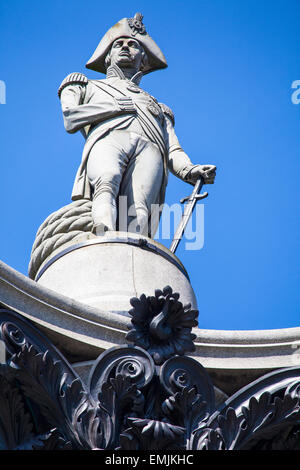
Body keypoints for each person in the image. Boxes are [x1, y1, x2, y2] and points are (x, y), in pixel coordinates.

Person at [58, 13, 216, 236]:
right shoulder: (85, 85)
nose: (125, 48)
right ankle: (103, 235)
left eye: (132, 45)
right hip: (107, 138)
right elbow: (70, 117)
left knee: (140, 209)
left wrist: (190, 170)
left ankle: (131, 250)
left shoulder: (159, 108)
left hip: (150, 149)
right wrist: (114, 107)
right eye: (118, 45)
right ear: (107, 57)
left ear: (143, 59)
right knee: (107, 180)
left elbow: (172, 149)